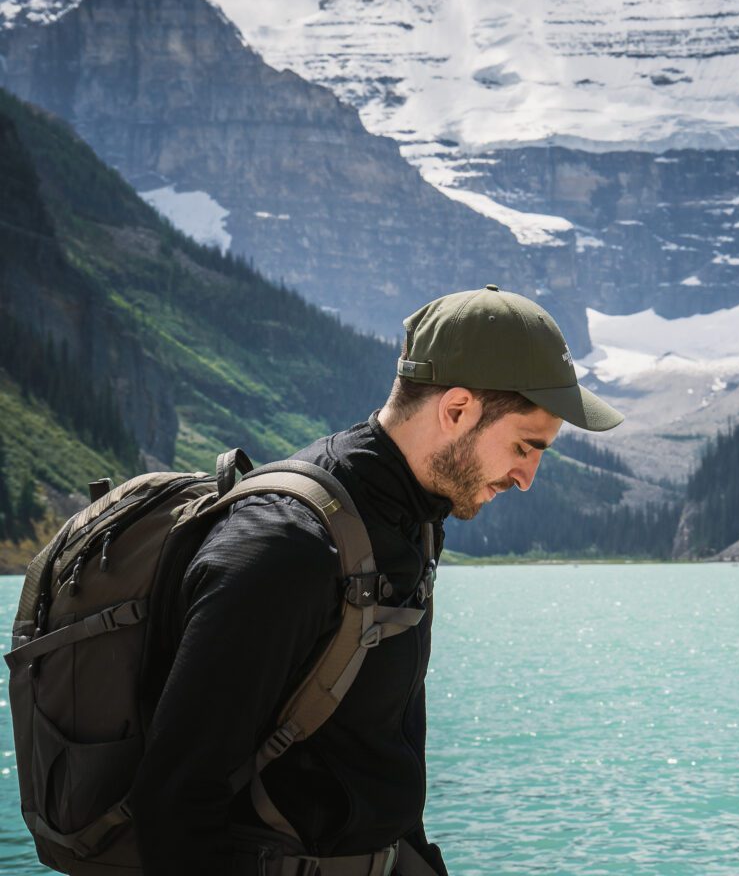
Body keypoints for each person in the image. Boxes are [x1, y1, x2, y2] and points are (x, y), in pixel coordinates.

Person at [129, 285, 623, 876]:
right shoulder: (286, 545)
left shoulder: (413, 522)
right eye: (524, 446)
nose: (527, 478)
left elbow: (373, 749)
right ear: (458, 408)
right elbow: (175, 801)